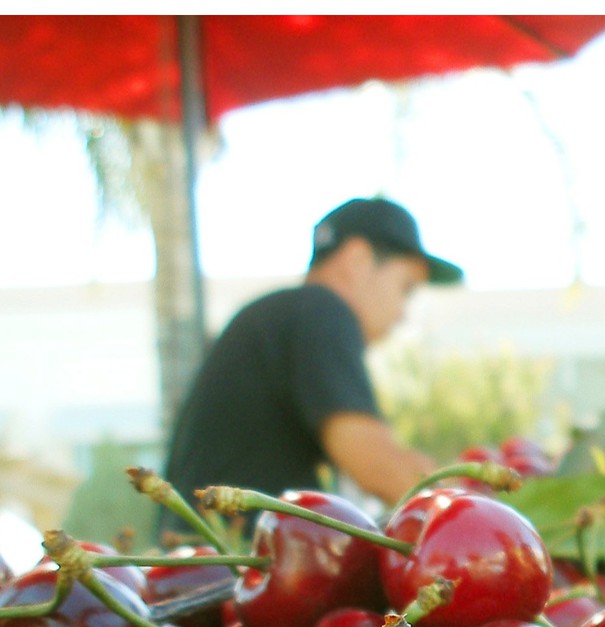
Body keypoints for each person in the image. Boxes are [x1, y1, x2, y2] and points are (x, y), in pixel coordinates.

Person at [159, 197, 462, 536]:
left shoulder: (278, 318)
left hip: (200, 565)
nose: (403, 314)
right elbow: (376, 464)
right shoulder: (322, 310)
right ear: (358, 259)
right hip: (231, 574)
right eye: (405, 288)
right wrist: (470, 508)